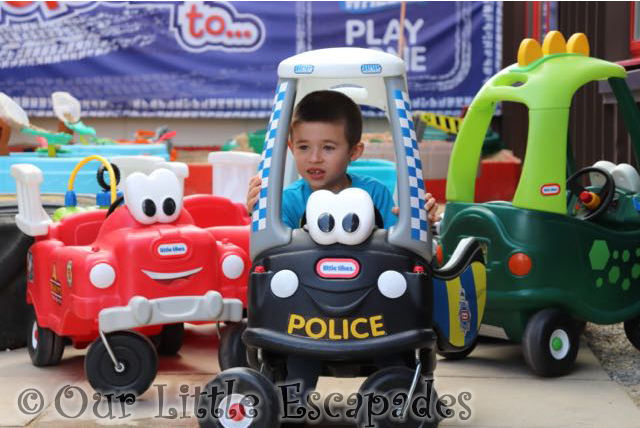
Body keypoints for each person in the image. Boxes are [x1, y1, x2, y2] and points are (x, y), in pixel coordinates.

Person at [246, 89, 438, 227]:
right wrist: (257, 215)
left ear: (354, 152)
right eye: (303, 147)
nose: (314, 158)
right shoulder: (287, 201)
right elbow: (271, 252)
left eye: (328, 148)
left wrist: (420, 222)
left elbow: (400, 247)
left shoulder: (375, 193)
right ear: (291, 148)